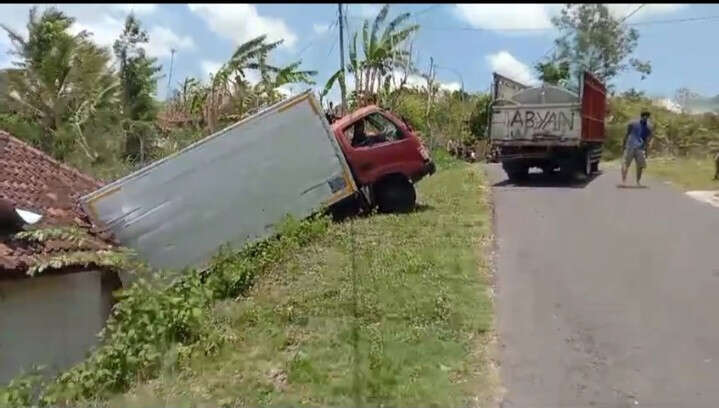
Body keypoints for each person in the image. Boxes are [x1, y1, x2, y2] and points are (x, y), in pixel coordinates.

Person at [621, 110, 653, 186]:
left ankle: (638, 181)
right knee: (626, 163)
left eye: (647, 117)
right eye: (644, 116)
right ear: (641, 116)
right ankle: (624, 181)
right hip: (630, 146)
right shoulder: (633, 123)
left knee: (640, 166)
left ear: (648, 117)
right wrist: (623, 145)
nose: (645, 118)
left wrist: (646, 148)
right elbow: (627, 134)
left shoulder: (648, 127)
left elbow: (648, 138)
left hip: (640, 147)